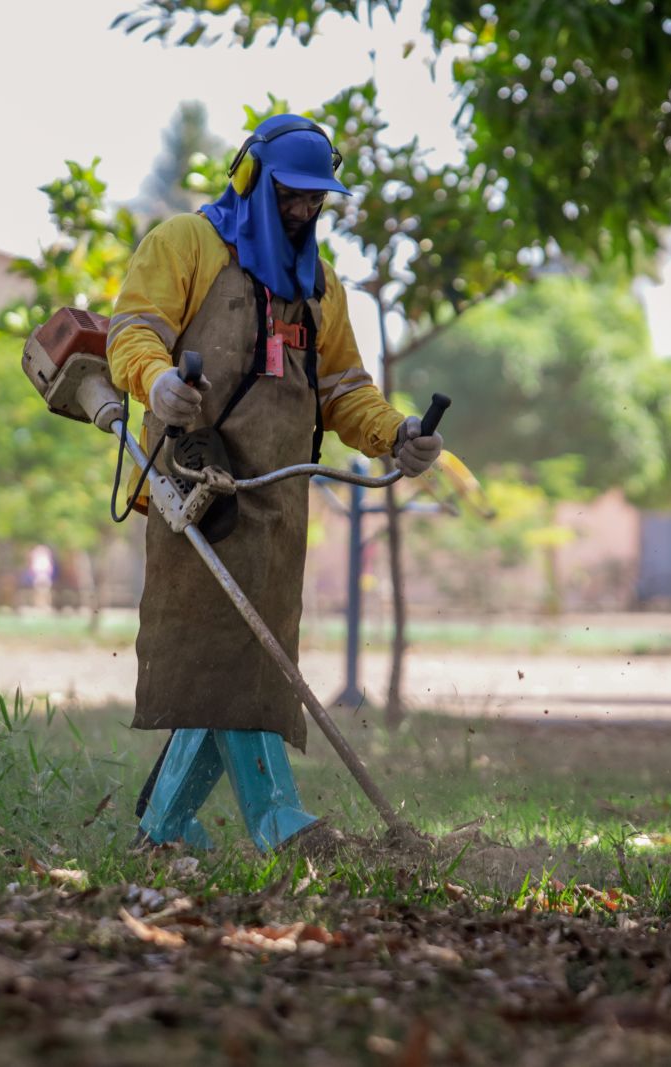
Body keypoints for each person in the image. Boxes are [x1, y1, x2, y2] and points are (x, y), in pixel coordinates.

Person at [106, 114, 443, 853]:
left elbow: (345, 388)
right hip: (195, 492)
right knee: (231, 657)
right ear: (255, 180)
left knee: (238, 664)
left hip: (279, 502)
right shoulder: (185, 245)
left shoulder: (321, 287)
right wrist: (157, 382)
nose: (305, 210)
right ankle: (281, 825)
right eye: (293, 194)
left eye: (317, 199)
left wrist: (397, 435)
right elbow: (131, 329)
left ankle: (160, 829)